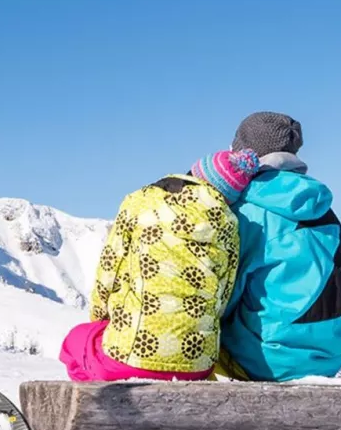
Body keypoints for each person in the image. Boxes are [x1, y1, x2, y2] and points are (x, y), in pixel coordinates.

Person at [201, 111, 341, 430]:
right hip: (329, 354)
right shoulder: (322, 209)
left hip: (267, 359)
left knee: (192, 337)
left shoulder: (248, 210)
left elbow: (224, 295)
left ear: (241, 151)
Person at [61, 149, 262, 387]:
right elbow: (224, 292)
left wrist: (99, 319)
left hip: (130, 356)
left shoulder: (141, 202)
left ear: (196, 174)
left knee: (74, 343)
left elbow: (110, 269)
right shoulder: (229, 224)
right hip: (199, 364)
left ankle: (101, 415)